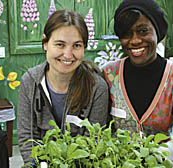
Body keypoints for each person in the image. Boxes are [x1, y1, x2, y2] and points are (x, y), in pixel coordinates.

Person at [102, 0, 173, 161]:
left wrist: (152, 155)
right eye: (126, 34)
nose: (134, 41)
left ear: (158, 32)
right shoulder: (109, 74)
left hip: (161, 163)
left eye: (143, 31)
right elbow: (102, 127)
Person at [17, 9, 110, 164]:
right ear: (45, 43)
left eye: (76, 45)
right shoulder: (30, 81)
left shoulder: (97, 88)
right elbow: (28, 139)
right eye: (60, 44)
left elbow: (93, 144)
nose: (68, 54)